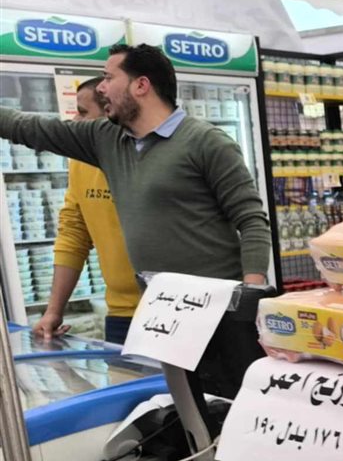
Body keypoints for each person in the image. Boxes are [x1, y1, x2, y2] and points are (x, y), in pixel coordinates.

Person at [0, 44, 271, 290]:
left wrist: (249, 291)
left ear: (141, 85)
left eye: (108, 78)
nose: (101, 88)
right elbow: (29, 128)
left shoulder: (206, 142)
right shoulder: (104, 138)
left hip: (218, 305)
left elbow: (251, 220)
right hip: (156, 306)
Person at [31, 78, 140, 345]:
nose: (75, 121)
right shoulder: (81, 162)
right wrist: (54, 310)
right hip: (121, 314)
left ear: (109, 113)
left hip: (175, 308)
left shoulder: (149, 156)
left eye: (82, 112)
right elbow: (74, 234)